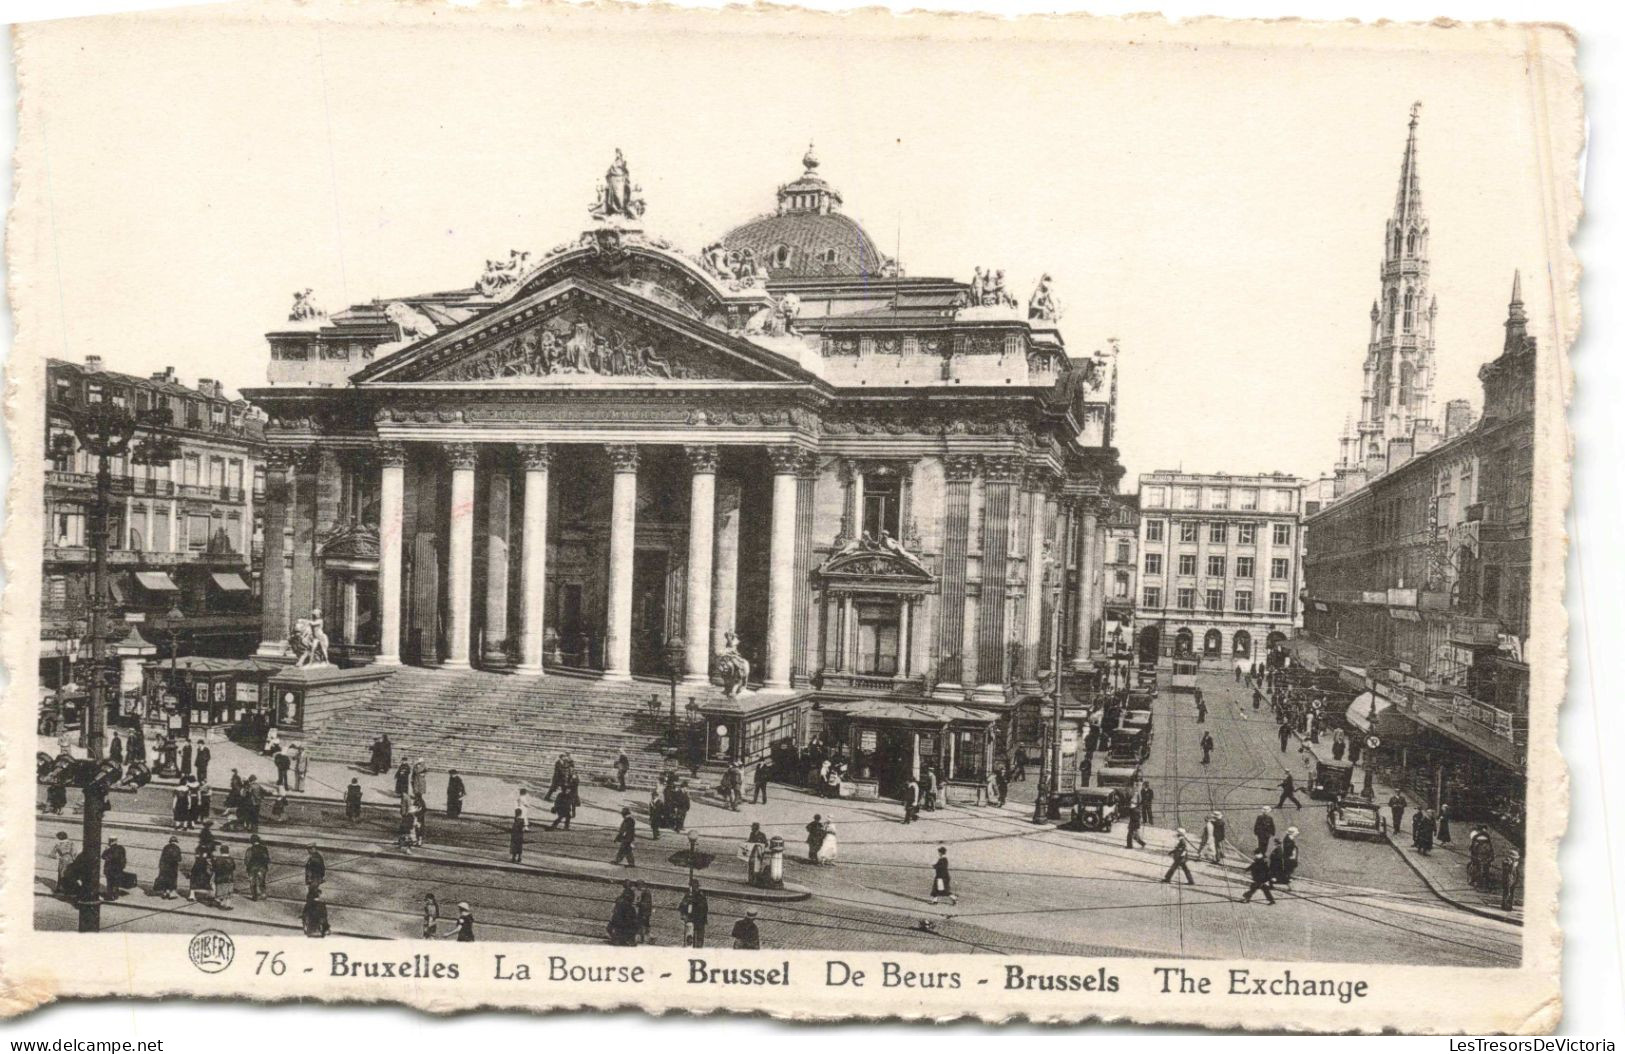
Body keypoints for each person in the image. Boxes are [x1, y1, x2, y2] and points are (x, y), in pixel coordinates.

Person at [679, 881, 709, 948]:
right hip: (690, 921)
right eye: (693, 887)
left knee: (699, 941)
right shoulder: (688, 896)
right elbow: (681, 907)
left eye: (696, 887)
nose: (695, 888)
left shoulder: (701, 896)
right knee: (689, 940)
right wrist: (684, 916)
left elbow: (704, 908)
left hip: (699, 922)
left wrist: (694, 902)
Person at [246, 836, 271, 901]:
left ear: (251, 841)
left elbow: (247, 860)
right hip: (262, 868)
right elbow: (267, 859)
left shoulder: (249, 849)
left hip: (252, 868)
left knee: (252, 882)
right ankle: (263, 894)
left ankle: (254, 896)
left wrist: (248, 867)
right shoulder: (264, 848)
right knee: (262, 881)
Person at [212, 844, 236, 910]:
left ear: (221, 851)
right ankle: (227, 905)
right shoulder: (231, 859)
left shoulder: (218, 859)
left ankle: (221, 903)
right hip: (229, 878)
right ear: (228, 851)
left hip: (220, 878)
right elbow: (234, 868)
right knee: (229, 892)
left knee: (220, 891)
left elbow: (215, 868)